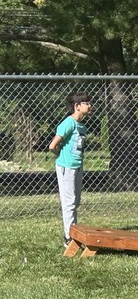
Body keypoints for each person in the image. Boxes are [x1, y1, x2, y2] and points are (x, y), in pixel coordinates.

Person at [48, 91, 92, 246]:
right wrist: (60, 153)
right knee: (69, 202)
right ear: (77, 106)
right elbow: (53, 145)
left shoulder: (82, 126)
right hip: (66, 167)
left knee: (76, 201)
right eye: (86, 103)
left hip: (77, 167)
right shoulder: (68, 123)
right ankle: (69, 237)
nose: (90, 105)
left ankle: (74, 232)